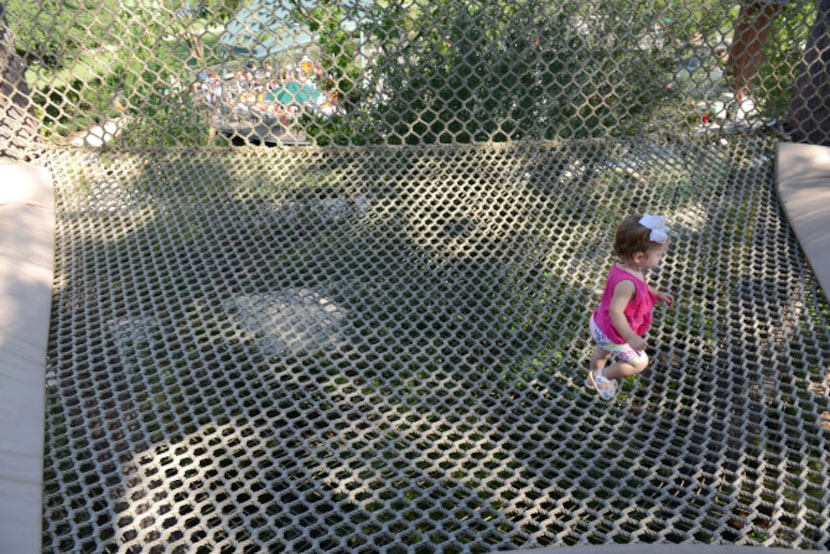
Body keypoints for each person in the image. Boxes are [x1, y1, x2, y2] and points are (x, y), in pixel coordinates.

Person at [586, 214, 675, 401]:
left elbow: (642, 283)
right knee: (640, 363)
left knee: (602, 351)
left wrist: (656, 293)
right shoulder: (626, 283)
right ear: (639, 257)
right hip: (613, 331)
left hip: (600, 323)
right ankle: (602, 377)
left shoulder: (627, 267)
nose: (660, 258)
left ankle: (592, 376)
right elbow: (616, 311)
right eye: (659, 255)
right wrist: (631, 338)